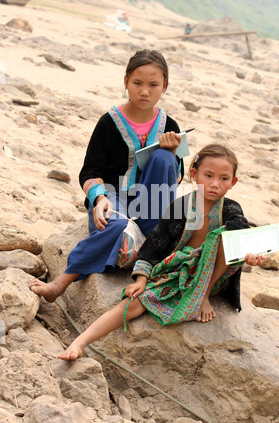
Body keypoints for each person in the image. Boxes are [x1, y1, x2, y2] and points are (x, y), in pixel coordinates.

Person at [57, 143, 265, 361]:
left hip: (214, 274)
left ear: (233, 182)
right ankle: (80, 342)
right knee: (136, 303)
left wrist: (249, 254)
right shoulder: (181, 206)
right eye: (208, 175)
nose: (215, 184)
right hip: (180, 271)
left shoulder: (231, 209)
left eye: (223, 179)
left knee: (225, 236)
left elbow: (240, 233)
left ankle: (203, 295)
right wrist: (141, 279)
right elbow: (156, 242)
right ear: (194, 174)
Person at [29, 49, 184, 302]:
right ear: (125, 82)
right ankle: (62, 282)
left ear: (164, 86)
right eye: (137, 83)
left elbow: (177, 179)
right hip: (116, 197)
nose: (144, 91)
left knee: (165, 157)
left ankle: (150, 240)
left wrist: (175, 154)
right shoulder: (109, 123)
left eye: (153, 84)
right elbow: (90, 171)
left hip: (152, 205)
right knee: (116, 224)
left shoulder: (171, 126)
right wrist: (100, 199)